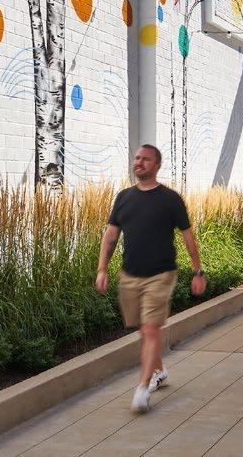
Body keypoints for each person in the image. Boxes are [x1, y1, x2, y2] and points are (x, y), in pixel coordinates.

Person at [96, 144, 205, 415]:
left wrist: (197, 271)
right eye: (137, 158)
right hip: (130, 274)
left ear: (157, 165)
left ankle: (142, 389)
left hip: (161, 274)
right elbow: (111, 236)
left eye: (145, 159)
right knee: (143, 329)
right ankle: (159, 371)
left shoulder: (170, 199)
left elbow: (188, 236)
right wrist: (102, 269)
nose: (139, 162)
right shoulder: (123, 197)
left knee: (150, 330)